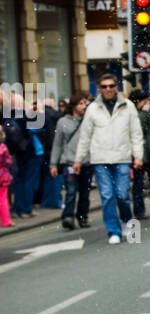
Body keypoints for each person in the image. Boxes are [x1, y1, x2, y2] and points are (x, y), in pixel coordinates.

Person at [73, 74, 143, 244]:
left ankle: (128, 223)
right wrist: (78, 159)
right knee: (107, 196)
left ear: (116, 87)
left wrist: (138, 156)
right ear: (99, 89)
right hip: (100, 159)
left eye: (111, 86)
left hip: (122, 157)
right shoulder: (92, 109)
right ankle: (114, 231)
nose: (108, 89)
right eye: (104, 86)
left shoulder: (129, 107)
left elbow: (136, 133)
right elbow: (85, 136)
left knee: (122, 195)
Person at [50, 93, 92, 230]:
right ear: (73, 106)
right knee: (71, 191)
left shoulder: (89, 120)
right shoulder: (62, 122)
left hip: (86, 162)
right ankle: (68, 217)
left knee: (85, 192)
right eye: (80, 103)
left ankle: (82, 217)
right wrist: (53, 164)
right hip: (68, 162)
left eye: (84, 103)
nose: (83, 106)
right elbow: (57, 144)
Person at [129, 90, 150, 219]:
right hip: (139, 154)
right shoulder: (133, 113)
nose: (147, 104)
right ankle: (139, 211)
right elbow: (140, 129)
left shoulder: (147, 113)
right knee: (138, 184)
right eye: (144, 101)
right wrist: (144, 112)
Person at [0, 125, 14, 228]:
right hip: (2, 175)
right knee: (3, 198)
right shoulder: (3, 148)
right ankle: (6, 221)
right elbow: (9, 161)